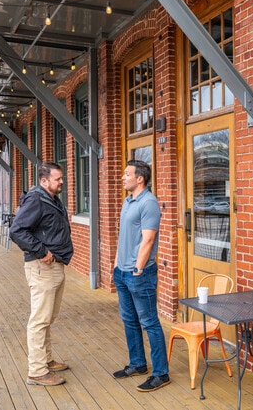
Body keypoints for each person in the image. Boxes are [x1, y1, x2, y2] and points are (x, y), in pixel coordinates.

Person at [9, 162, 73, 387]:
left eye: (61, 178)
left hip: (55, 265)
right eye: (58, 179)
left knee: (48, 317)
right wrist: (41, 251)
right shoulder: (36, 199)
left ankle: (46, 360)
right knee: (39, 320)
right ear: (44, 181)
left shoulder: (51, 198)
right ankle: (37, 371)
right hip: (42, 267)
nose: (61, 182)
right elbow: (17, 230)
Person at [112, 160, 170, 392]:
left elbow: (148, 239)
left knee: (150, 322)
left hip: (140, 273)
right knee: (129, 320)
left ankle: (161, 373)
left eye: (127, 174)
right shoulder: (128, 201)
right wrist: (117, 264)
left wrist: (137, 268)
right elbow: (124, 235)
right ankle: (137, 364)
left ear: (140, 179)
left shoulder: (149, 203)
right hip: (122, 272)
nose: (123, 177)